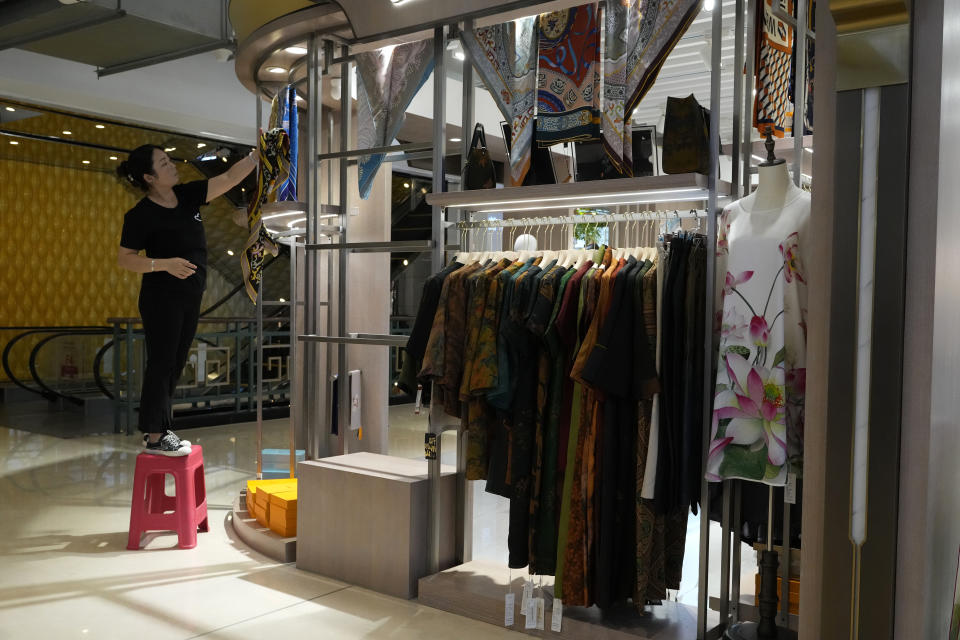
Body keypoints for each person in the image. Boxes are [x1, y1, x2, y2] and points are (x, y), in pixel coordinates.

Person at [117, 144, 256, 455]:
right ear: (149, 177)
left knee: (176, 362)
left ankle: (160, 429)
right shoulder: (140, 215)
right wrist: (164, 263)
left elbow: (231, 178)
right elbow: (125, 259)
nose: (173, 165)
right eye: (164, 163)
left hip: (190, 295)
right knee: (162, 363)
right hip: (161, 297)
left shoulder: (188, 195)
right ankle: (155, 436)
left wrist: (258, 156)